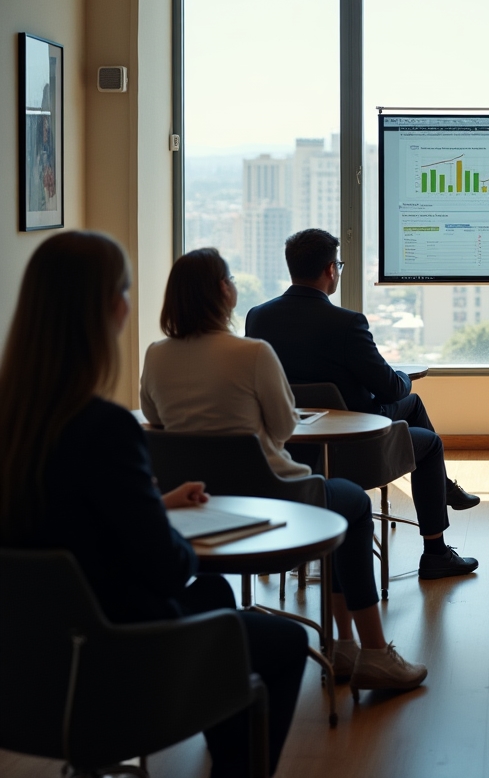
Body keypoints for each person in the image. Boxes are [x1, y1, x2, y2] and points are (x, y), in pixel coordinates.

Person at [0, 232, 308, 778]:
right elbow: (166, 568)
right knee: (286, 641)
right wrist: (174, 534)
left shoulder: (16, 424)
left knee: (214, 593)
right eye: (124, 291)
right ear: (108, 309)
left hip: (26, 668)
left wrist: (153, 504)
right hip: (118, 657)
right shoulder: (103, 429)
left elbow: (61, 521)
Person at [140, 248, 427, 693]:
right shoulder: (252, 354)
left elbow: (154, 418)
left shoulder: (157, 355)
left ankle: (346, 647)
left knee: (340, 498)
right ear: (223, 291)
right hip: (273, 499)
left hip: (200, 505)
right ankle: (366, 650)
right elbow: (284, 427)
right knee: (351, 502)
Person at [244, 229, 479, 581]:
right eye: (338, 265)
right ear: (330, 269)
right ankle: (435, 552)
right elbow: (389, 389)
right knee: (425, 435)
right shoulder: (346, 323)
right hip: (355, 448)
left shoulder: (258, 317)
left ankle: (443, 489)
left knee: (412, 405)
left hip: (289, 446)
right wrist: (403, 375)